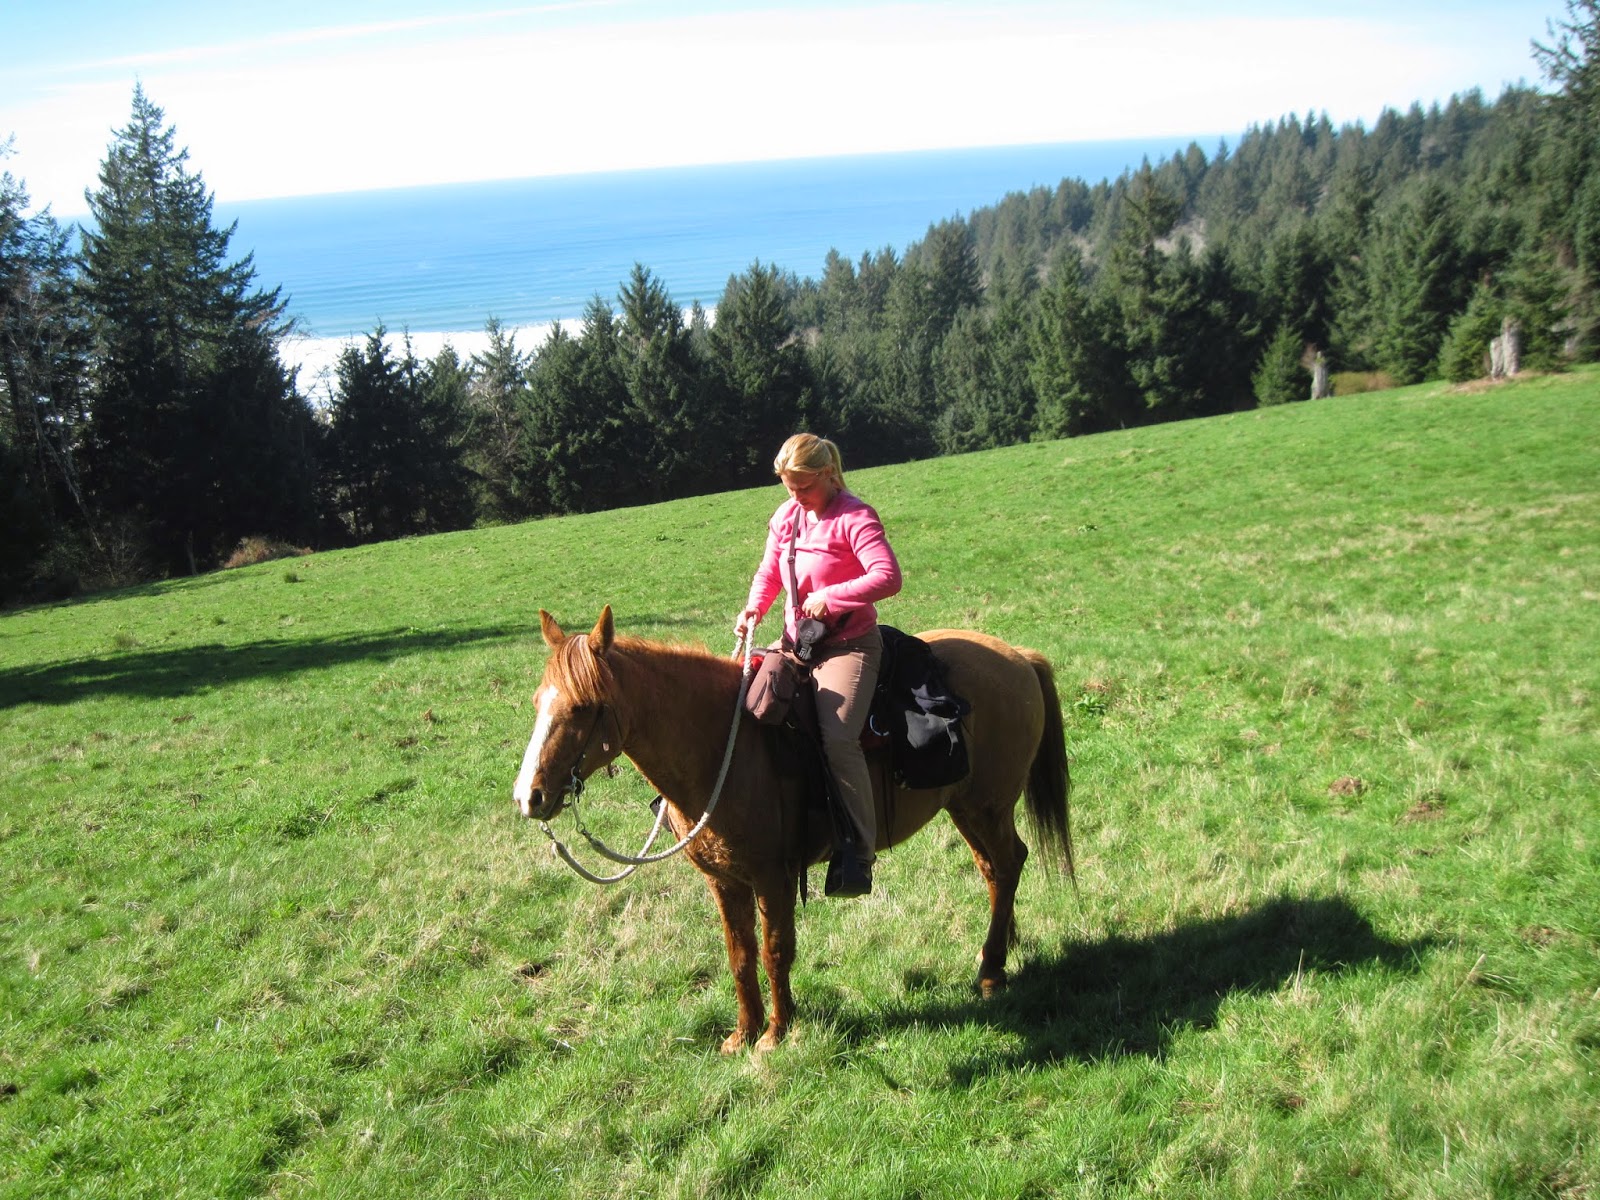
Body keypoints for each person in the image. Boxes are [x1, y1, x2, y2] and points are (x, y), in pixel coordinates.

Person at [735, 433, 902, 897]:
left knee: (839, 739)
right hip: (796, 642)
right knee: (743, 701)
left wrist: (833, 595)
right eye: (789, 488)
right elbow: (770, 572)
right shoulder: (786, 517)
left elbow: (888, 577)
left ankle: (858, 853)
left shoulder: (855, 516)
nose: (796, 497)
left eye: (804, 487)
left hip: (849, 646)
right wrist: (754, 608)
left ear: (828, 474)